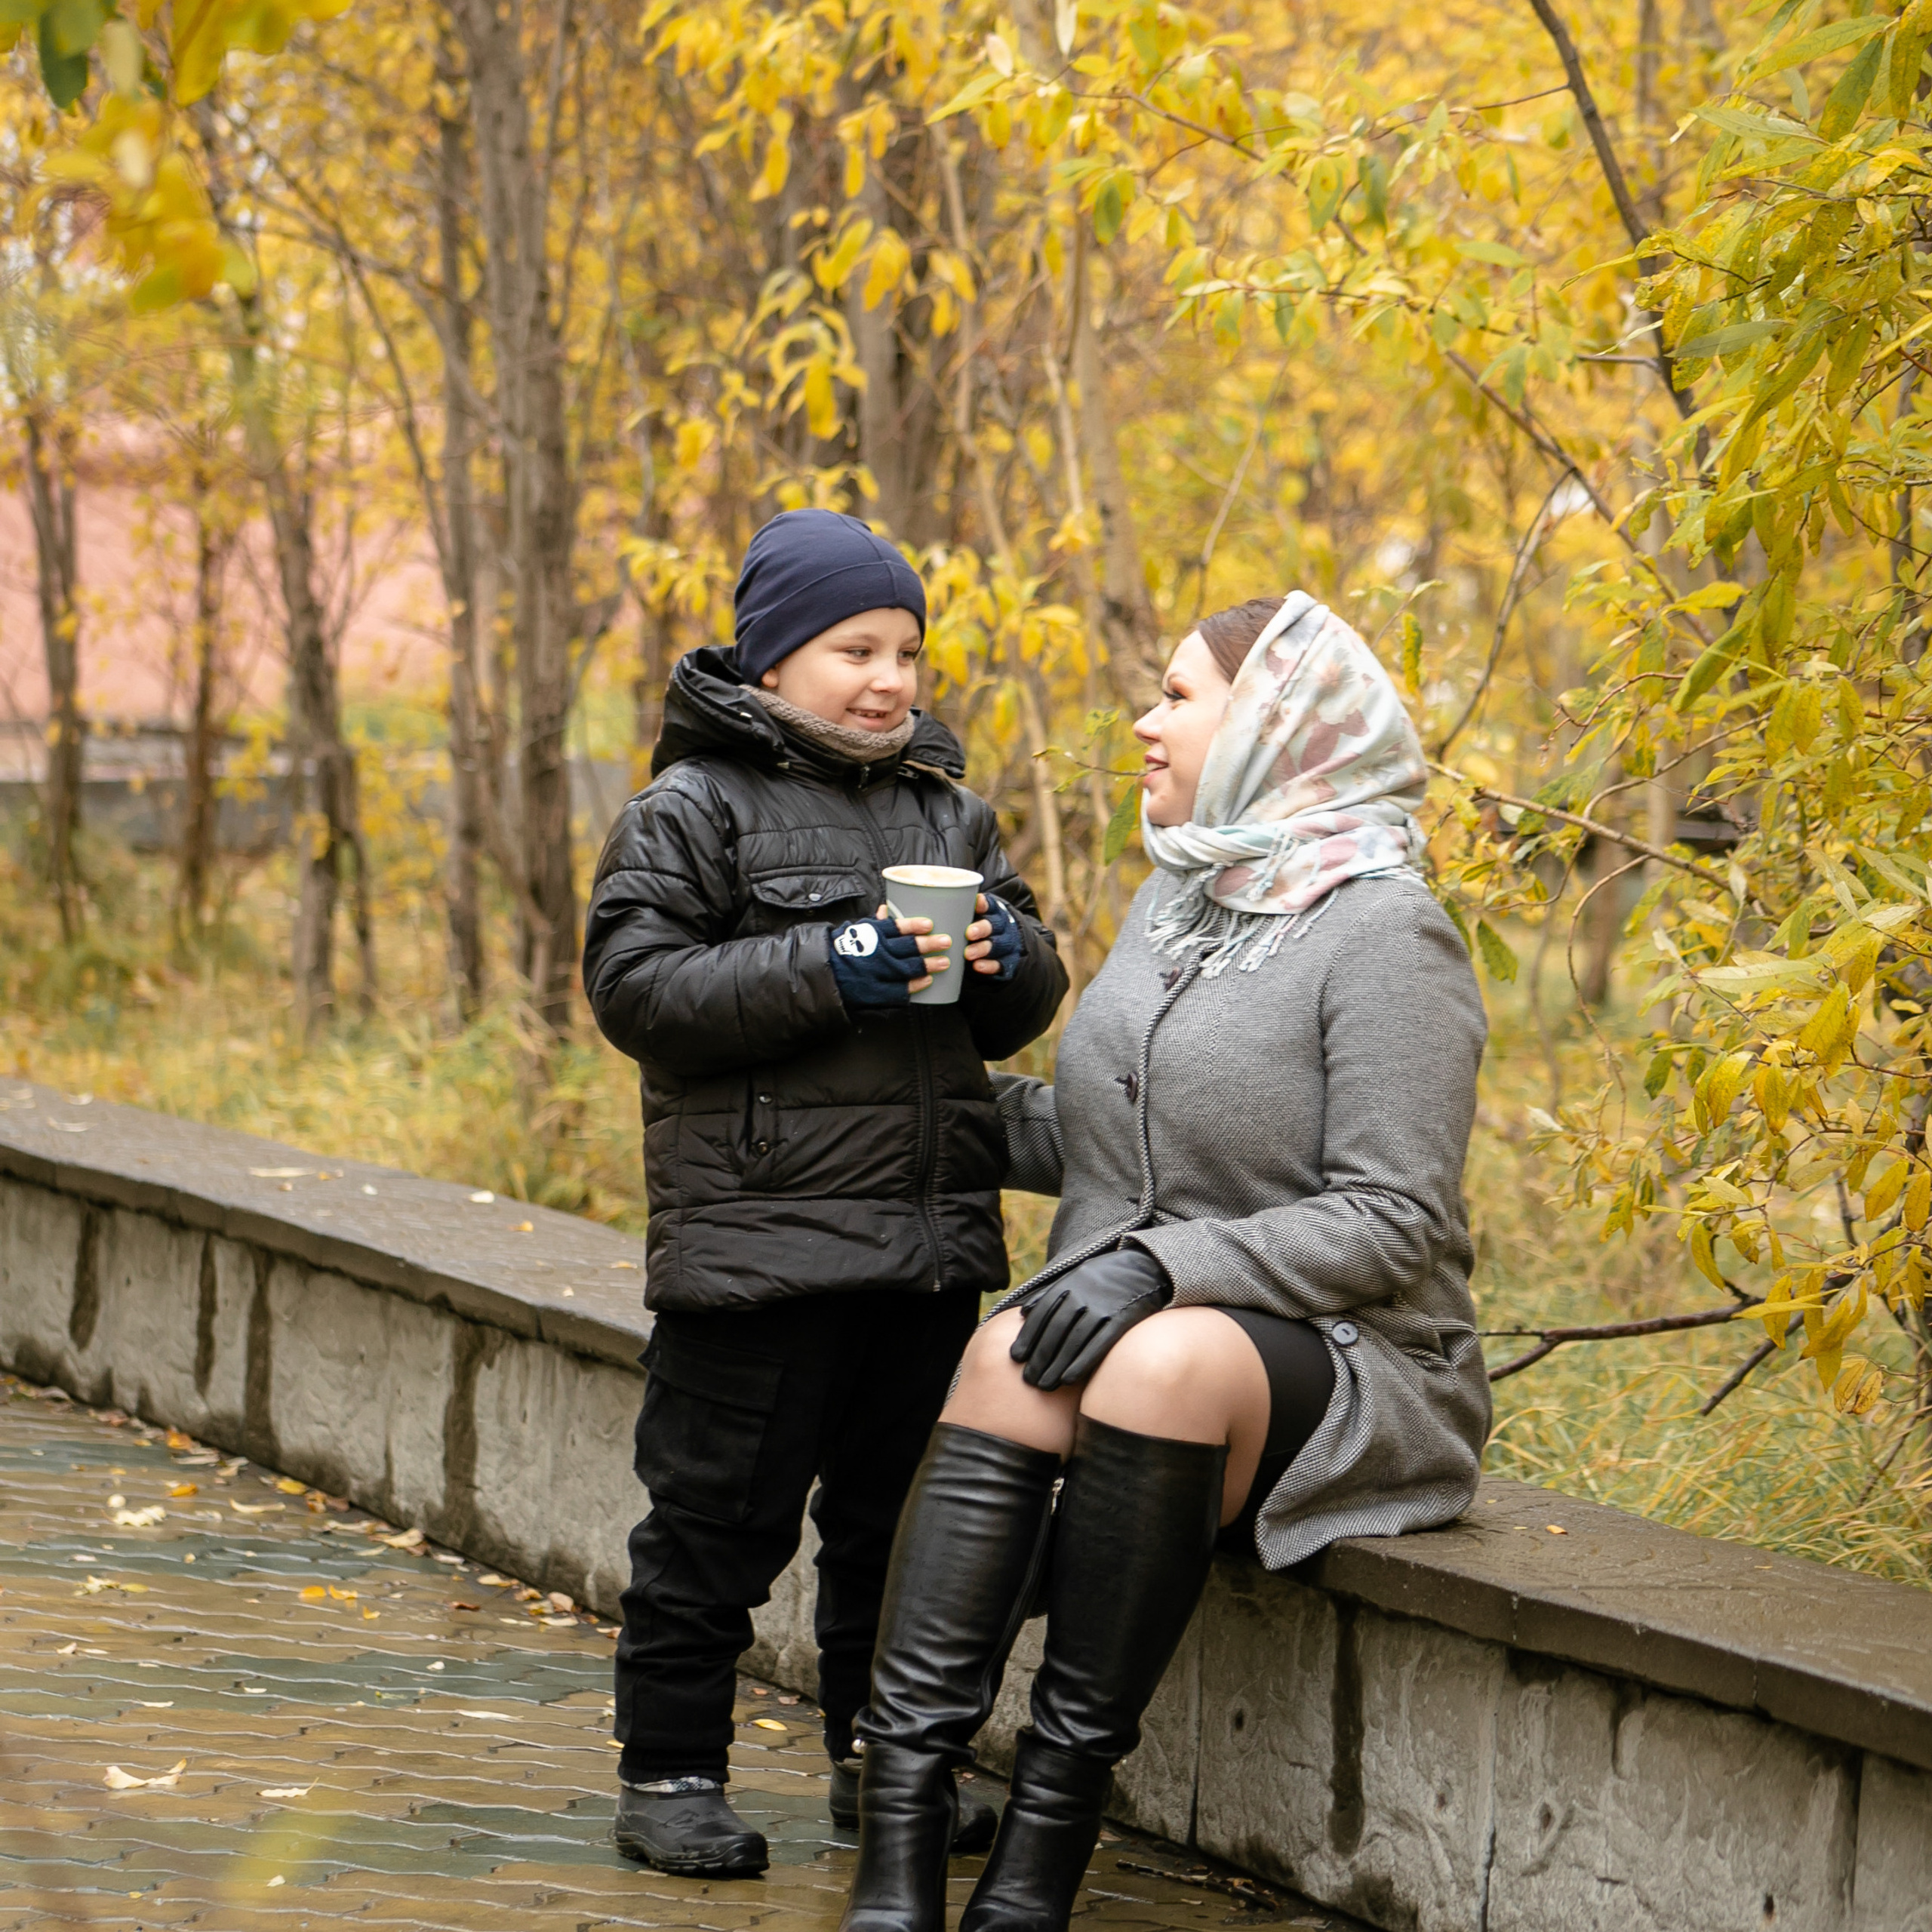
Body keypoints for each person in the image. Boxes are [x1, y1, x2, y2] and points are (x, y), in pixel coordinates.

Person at [837, 591, 1491, 1932]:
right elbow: (1110, 1145)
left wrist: (1160, 1268)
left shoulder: (1387, 932)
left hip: (1358, 1359)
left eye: (1181, 695)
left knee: (1164, 1363)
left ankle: (1035, 1875)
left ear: (1276, 726)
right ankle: (896, 1861)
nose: (1146, 718)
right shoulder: (1180, 895)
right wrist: (922, 1117)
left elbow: (1395, 1218)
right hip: (1151, 1328)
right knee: (1008, 1356)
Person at [583, 509, 1069, 1878]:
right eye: (856, 647)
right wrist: (831, 959)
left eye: (908, 651)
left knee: (897, 1533)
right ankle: (671, 1769)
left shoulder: (947, 808)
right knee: (713, 1528)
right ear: (773, 660)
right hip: (756, 1249)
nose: (890, 678)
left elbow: (1025, 1005)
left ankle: (884, 1768)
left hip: (921, 1246)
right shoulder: (690, 810)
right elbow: (639, 994)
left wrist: (1001, 951)